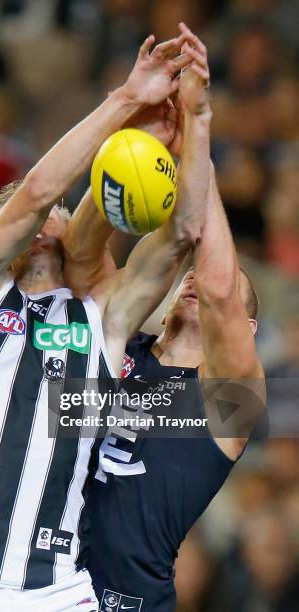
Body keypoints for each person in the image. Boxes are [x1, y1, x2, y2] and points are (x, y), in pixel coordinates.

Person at [0, 26, 202, 612]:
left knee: (223, 404)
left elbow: (182, 237)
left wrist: (193, 125)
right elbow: (38, 192)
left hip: (55, 591)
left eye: (64, 216)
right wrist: (125, 100)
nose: (50, 217)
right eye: (29, 217)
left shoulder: (101, 319)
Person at [66, 27, 266, 612]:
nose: (197, 287)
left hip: (127, 602)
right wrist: (149, 135)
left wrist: (200, 125)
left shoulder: (232, 404)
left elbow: (222, 285)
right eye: (188, 284)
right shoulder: (122, 346)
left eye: (225, 303)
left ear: (246, 337)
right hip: (42, 584)